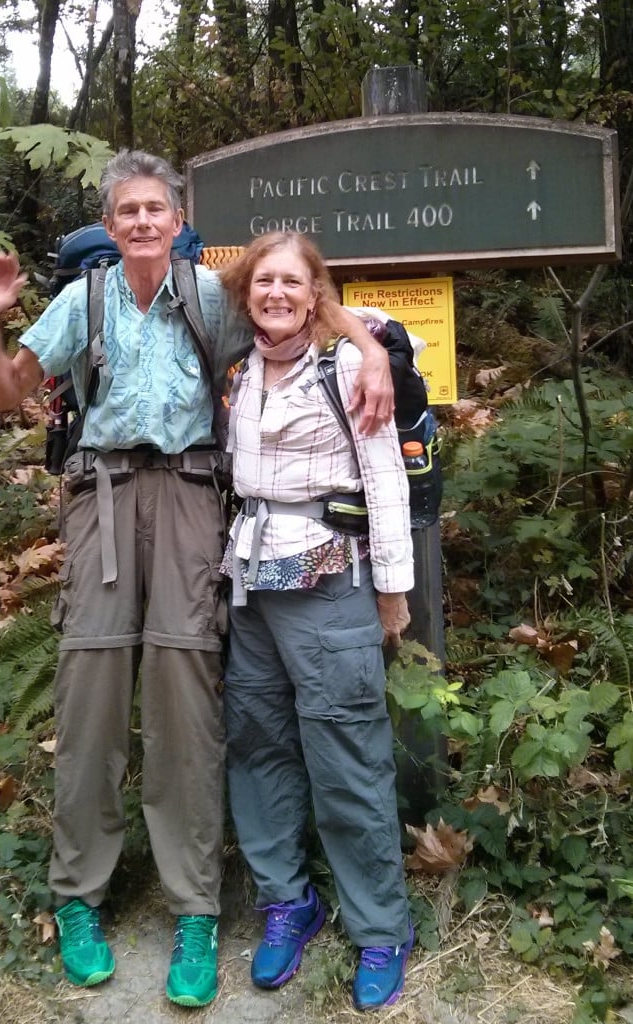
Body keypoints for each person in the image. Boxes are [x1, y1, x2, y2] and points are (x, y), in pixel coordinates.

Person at [0, 152, 394, 1007]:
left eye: (156, 208)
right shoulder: (80, 300)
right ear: (111, 222)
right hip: (101, 499)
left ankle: (193, 907)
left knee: (186, 697)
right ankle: (78, 895)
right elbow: (8, 394)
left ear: (178, 216)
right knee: (89, 694)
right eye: (127, 210)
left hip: (195, 497)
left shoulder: (209, 294)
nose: (143, 222)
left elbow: (303, 307)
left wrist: (367, 353)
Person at [219, 231, 415, 1012]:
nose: (276, 294)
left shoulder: (347, 364)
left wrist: (393, 591)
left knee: (345, 751)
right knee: (259, 743)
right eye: (264, 281)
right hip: (251, 583)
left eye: (292, 283)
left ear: (315, 292)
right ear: (247, 292)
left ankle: (378, 928)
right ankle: (286, 902)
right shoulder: (237, 368)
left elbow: (386, 478)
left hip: (332, 575)